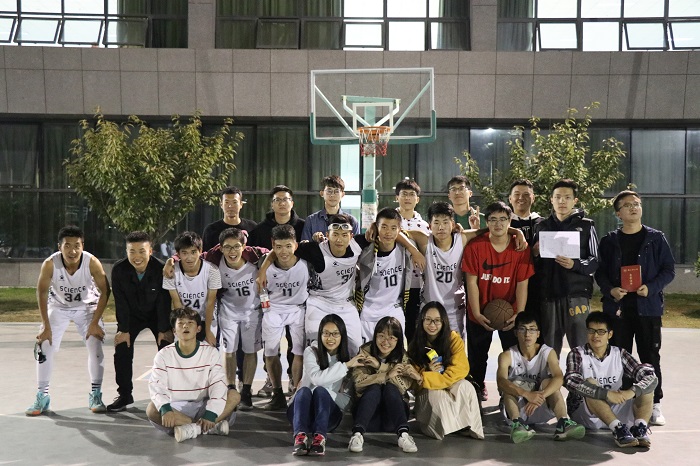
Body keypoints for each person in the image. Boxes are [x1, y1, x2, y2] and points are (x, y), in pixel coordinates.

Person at [595, 190, 675, 426]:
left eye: (637, 204)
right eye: (628, 205)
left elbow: (668, 270)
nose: (634, 207)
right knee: (619, 357)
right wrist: (610, 290)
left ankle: (655, 404)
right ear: (618, 213)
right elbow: (600, 272)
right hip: (618, 309)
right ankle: (623, 404)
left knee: (650, 356)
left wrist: (651, 287)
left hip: (647, 308)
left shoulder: (656, 238)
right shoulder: (609, 241)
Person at [403, 202, 524, 340]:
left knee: (455, 350)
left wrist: (517, 232)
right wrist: (414, 251)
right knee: (428, 349)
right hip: (429, 306)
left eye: (445, 222)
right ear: (429, 225)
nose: (441, 227)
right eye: (436, 222)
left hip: (455, 309)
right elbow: (396, 232)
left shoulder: (462, 238)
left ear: (453, 224)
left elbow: (491, 229)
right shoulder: (424, 240)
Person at [26, 226, 111, 416]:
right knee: (45, 346)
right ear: (60, 247)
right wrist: (46, 326)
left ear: (83, 246)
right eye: (67, 246)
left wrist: (95, 322)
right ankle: (42, 396)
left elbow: (106, 290)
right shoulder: (50, 264)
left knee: (95, 343)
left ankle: (96, 394)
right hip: (58, 306)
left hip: (87, 307)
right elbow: (41, 292)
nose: (72, 251)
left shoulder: (92, 262)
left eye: (76, 246)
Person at [462, 201, 534, 401]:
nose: (498, 224)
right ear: (487, 222)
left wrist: (519, 313)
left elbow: (522, 283)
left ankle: (510, 393)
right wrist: (476, 313)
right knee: (477, 356)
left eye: (503, 219)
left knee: (512, 355)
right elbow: (471, 282)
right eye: (493, 219)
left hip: (510, 312)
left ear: (510, 222)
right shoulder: (475, 246)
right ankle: (477, 388)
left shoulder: (520, 248)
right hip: (480, 310)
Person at [564, 312, 657, 449]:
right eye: (591, 331)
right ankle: (618, 429)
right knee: (590, 384)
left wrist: (631, 392)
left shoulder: (619, 353)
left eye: (601, 331)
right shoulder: (577, 353)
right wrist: (606, 394)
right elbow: (570, 380)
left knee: (646, 387)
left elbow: (650, 377)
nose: (596, 336)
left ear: (610, 334)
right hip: (586, 413)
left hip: (614, 407)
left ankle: (640, 428)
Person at [146, 307, 240, 442]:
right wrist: (166, 409)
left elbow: (218, 384)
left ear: (198, 329)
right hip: (176, 408)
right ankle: (207, 427)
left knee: (234, 395)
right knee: (152, 409)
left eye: (190, 323)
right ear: (174, 330)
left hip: (204, 405)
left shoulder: (210, 352)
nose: (185, 326)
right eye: (180, 323)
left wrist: (211, 413)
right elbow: (157, 385)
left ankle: (192, 428)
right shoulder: (163, 354)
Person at [496, 312, 585, 443]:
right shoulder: (507, 355)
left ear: (538, 334)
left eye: (532, 329)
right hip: (517, 407)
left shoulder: (547, 352)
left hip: (539, 405)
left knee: (550, 382)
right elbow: (501, 381)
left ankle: (563, 423)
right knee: (509, 385)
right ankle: (517, 424)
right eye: (523, 329)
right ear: (516, 333)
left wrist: (540, 396)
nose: (527, 334)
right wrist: (526, 394)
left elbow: (559, 377)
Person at [533, 179, 599, 356]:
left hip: (576, 295)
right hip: (548, 296)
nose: (562, 201)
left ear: (575, 200)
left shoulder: (586, 226)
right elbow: (533, 265)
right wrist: (534, 253)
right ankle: (551, 375)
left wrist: (574, 264)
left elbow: (595, 261)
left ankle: (581, 375)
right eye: (558, 197)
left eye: (567, 197)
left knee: (581, 348)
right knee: (549, 348)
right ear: (551, 200)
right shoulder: (541, 226)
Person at [108, 231, 172, 412]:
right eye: (132, 251)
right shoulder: (119, 269)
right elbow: (120, 302)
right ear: (126, 252)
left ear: (150, 251)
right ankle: (124, 394)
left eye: (142, 251)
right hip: (132, 315)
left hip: (156, 315)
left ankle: (167, 394)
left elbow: (163, 301)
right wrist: (123, 329)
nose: (137, 256)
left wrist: (163, 329)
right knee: (122, 346)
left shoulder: (160, 269)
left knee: (167, 347)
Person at [407, 302, 483, 440]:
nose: (432, 324)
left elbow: (460, 370)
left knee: (465, 386)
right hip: (428, 390)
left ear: (444, 322)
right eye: (428, 319)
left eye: (437, 320)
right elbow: (414, 384)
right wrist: (428, 371)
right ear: (422, 320)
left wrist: (430, 378)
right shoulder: (415, 345)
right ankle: (447, 427)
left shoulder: (453, 339)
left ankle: (467, 426)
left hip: (447, 381)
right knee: (437, 395)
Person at [288, 314, 361, 456]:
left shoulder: (348, 360)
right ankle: (300, 437)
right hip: (301, 413)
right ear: (320, 335)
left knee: (320, 392)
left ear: (342, 336)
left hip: (328, 417)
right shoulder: (311, 352)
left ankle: (320, 438)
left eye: (335, 334)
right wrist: (344, 367)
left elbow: (347, 402)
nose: (330, 338)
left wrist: (325, 394)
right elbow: (317, 379)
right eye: (326, 333)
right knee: (304, 391)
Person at [348, 316, 420, 454]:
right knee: (375, 388)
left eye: (391, 338)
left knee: (390, 388)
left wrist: (380, 367)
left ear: (398, 340)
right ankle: (357, 435)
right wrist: (386, 375)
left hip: (393, 419)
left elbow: (403, 386)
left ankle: (404, 435)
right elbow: (358, 382)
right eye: (381, 336)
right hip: (367, 417)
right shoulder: (365, 351)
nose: (385, 342)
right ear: (375, 336)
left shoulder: (402, 356)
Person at [210, 228, 263, 410]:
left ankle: (246, 390)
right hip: (228, 311)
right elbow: (192, 256)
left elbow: (273, 254)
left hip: (252, 312)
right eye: (227, 247)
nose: (232, 251)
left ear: (244, 247)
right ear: (221, 248)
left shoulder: (255, 259)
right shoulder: (215, 263)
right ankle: (231, 388)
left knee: (250, 351)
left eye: (236, 247)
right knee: (229, 351)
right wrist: (171, 260)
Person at [259, 225, 309, 410]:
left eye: (288, 246)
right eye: (279, 247)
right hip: (274, 309)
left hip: (298, 309)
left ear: (295, 245)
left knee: (299, 352)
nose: (284, 251)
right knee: (270, 352)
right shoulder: (264, 263)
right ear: (273, 245)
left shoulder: (306, 260)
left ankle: (297, 393)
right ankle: (277, 393)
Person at [356, 208, 414, 343]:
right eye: (384, 227)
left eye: (393, 228)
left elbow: (423, 236)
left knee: (394, 351)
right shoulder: (365, 249)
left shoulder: (405, 247)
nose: (388, 232)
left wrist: (414, 251)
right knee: (366, 352)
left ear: (399, 230)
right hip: (368, 311)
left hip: (394, 309)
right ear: (377, 228)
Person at [162, 231, 221, 346]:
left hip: (207, 319)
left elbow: (210, 303)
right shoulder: (171, 272)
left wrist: (208, 331)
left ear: (200, 251)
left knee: (209, 351)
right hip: (184, 318)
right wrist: (184, 325)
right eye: (184, 253)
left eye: (193, 252)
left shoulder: (212, 270)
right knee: (184, 351)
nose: (189, 258)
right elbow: (177, 303)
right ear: (178, 254)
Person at [394, 178, 430, 343]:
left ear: (417, 199)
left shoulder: (425, 226)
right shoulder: (388, 221)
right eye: (404, 194)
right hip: (393, 283)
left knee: (412, 328)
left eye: (411, 194)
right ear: (397, 197)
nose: (407, 198)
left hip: (416, 284)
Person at [508, 179, 543, 317]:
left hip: (537, 287)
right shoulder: (503, 224)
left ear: (533, 198)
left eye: (526, 194)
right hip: (508, 286)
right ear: (510, 198)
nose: (521, 198)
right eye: (517, 194)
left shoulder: (544, 224)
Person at [301, 175, 360, 241]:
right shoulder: (311, 221)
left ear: (342, 194)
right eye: (329, 191)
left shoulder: (352, 221)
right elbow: (305, 245)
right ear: (322, 193)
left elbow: (356, 246)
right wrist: (315, 242)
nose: (332, 195)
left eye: (336, 191)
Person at [248, 185, 305, 250]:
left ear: (292, 203)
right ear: (272, 204)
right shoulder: (260, 230)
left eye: (285, 199)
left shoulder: (303, 226)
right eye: (277, 200)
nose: (282, 203)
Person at [202, 186, 258, 251]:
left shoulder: (252, 228)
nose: (230, 206)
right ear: (221, 205)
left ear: (241, 205)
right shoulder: (211, 230)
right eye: (227, 202)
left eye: (234, 202)